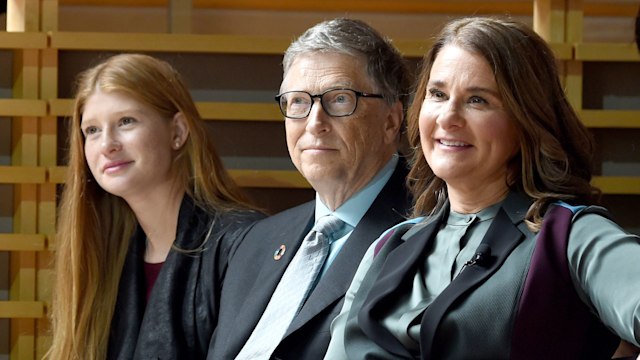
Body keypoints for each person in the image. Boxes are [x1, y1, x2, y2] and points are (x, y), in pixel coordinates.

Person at [326, 17, 640, 359]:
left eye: (478, 100)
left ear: (526, 121)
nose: (448, 117)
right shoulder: (388, 246)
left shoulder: (570, 237)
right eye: (438, 94)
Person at [207, 18, 412, 359]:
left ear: (391, 120)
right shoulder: (253, 243)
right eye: (299, 102)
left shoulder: (428, 232)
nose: (315, 122)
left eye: (341, 99)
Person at [46, 54, 263, 360]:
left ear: (177, 132)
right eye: (92, 130)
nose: (107, 144)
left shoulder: (243, 243)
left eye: (126, 121)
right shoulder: (104, 253)